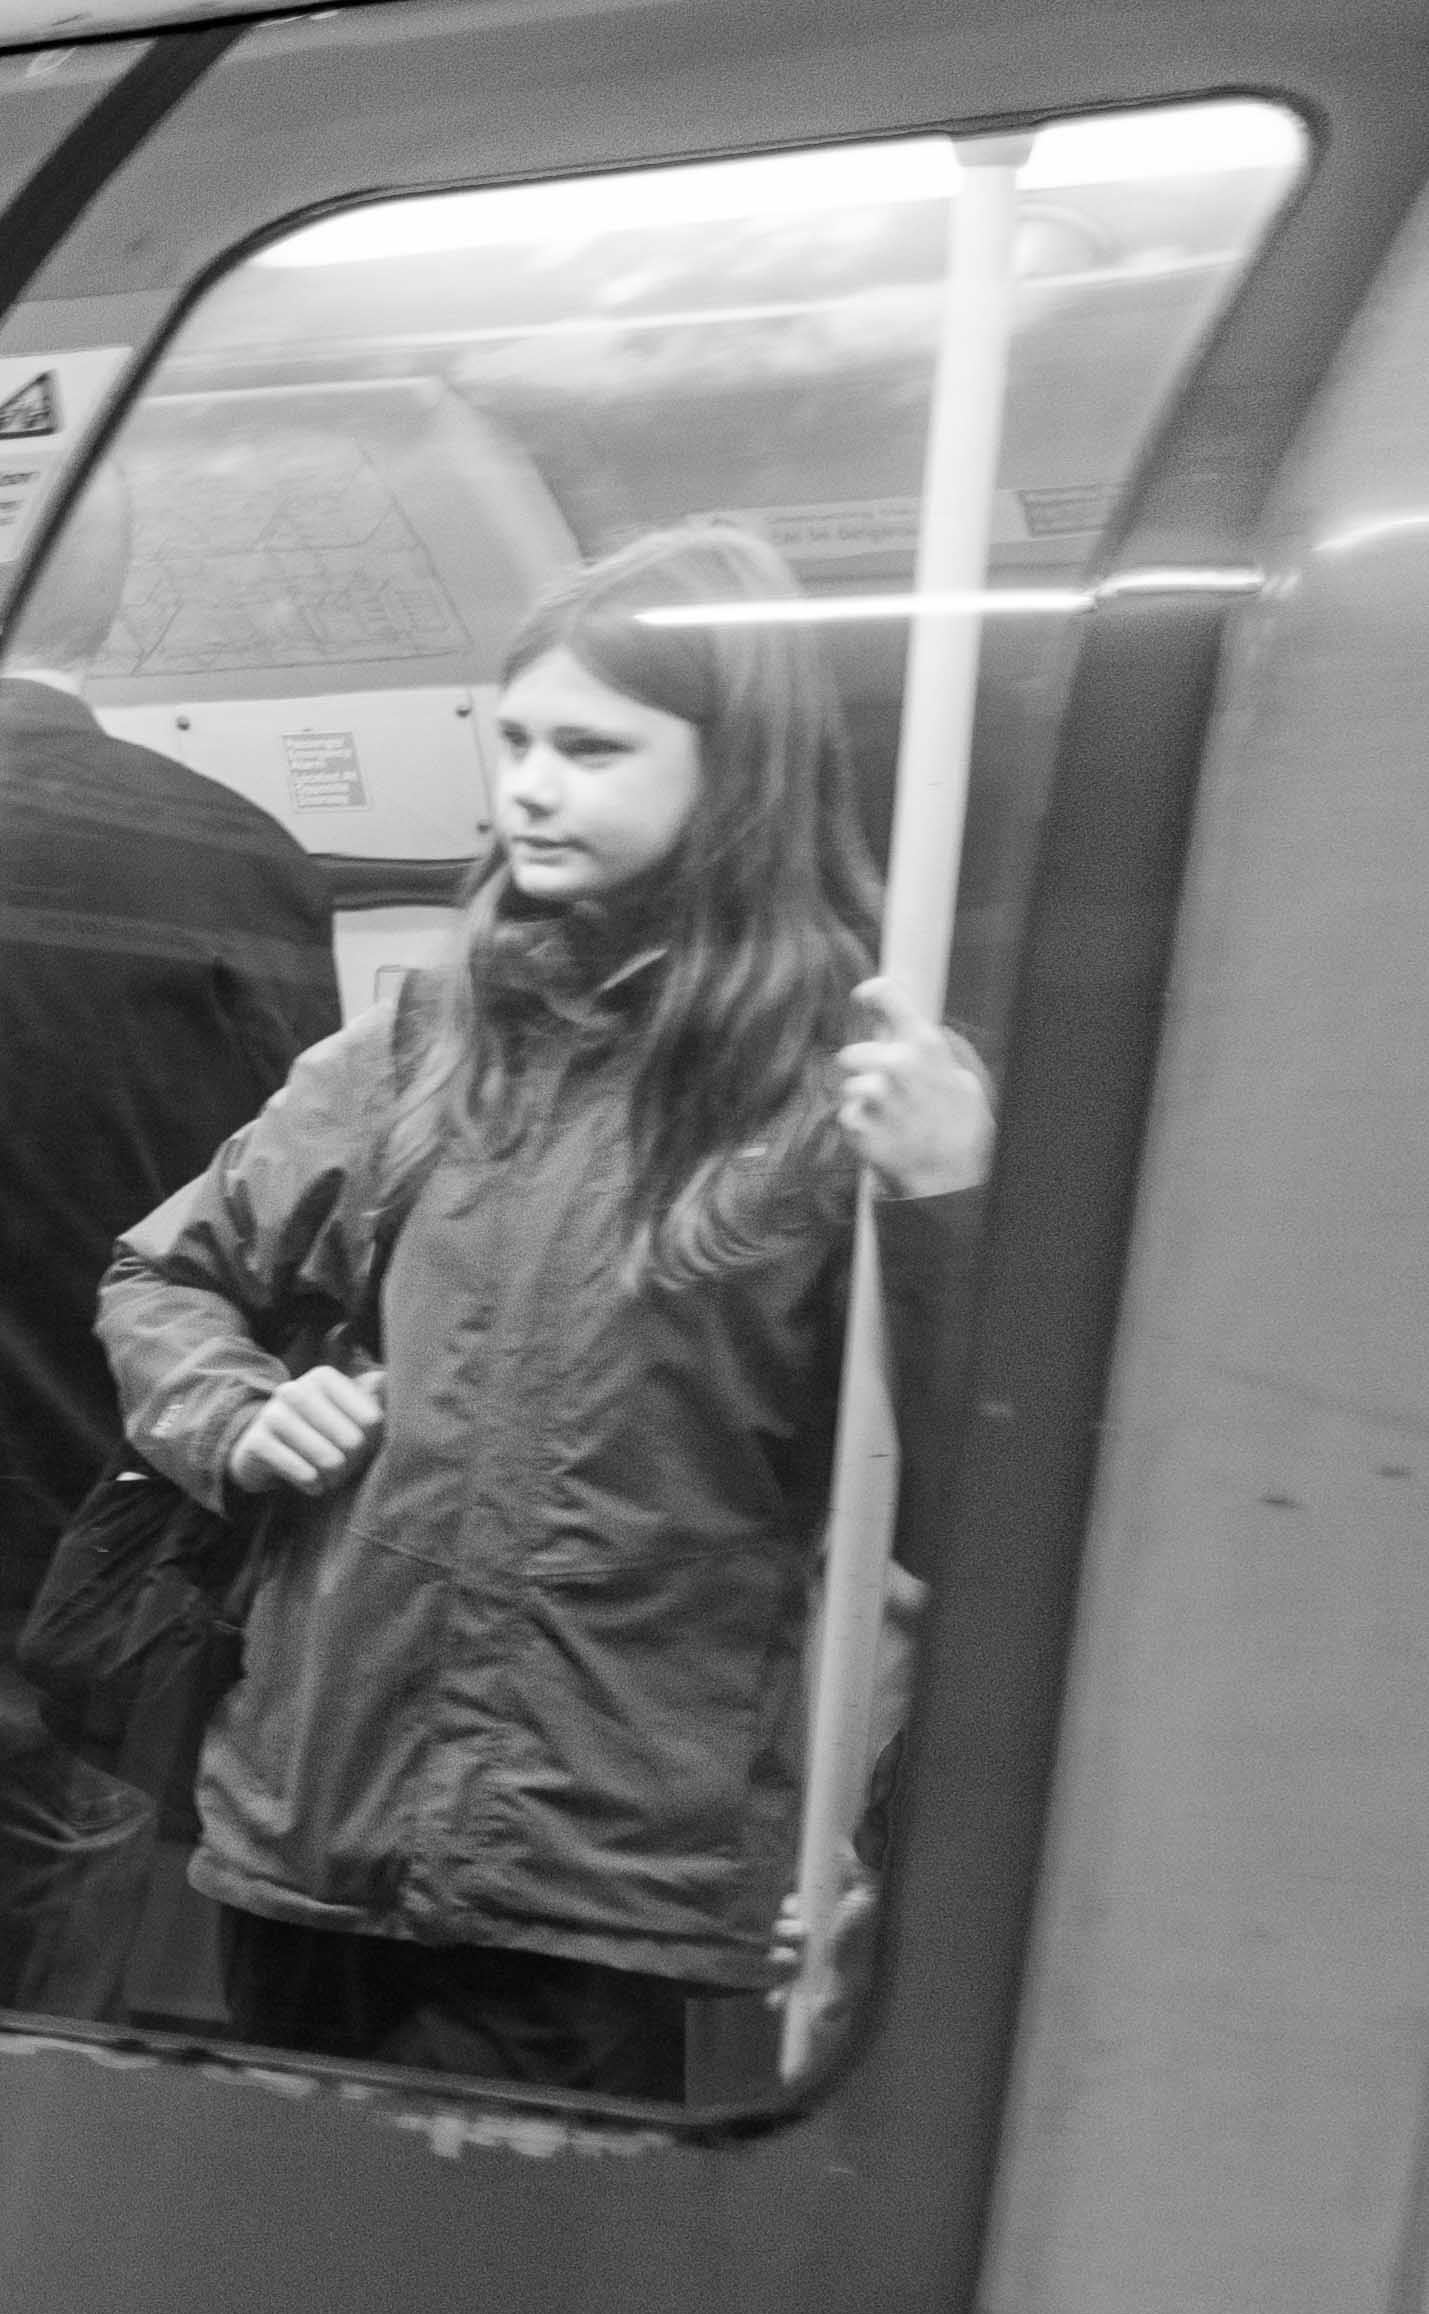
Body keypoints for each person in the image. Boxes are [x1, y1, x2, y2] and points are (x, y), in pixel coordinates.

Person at [103, 521, 988, 2101]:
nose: (527, 787)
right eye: (512, 740)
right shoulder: (426, 1045)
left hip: (610, 1875)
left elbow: (981, 1486)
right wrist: (241, 1415)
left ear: (737, 773)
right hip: (315, 1820)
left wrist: (944, 1203)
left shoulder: (843, 1100)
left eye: (589, 749)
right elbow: (165, 1276)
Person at [0, 480, 339, 2017]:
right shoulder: (235, 854)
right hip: (79, 1583)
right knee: (9, 2057)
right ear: (113, 609)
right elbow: (297, 1249)